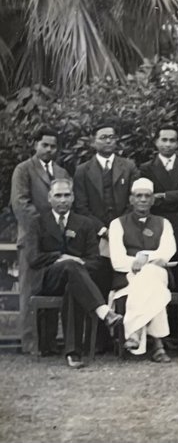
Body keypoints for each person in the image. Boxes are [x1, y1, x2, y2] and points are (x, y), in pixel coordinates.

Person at [28, 179, 121, 367]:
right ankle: (104, 312)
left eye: (67, 195)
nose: (63, 200)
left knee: (73, 284)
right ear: (49, 198)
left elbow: (95, 260)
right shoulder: (37, 223)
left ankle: (73, 353)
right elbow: (33, 258)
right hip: (49, 279)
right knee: (70, 266)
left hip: (77, 278)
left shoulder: (85, 223)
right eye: (58, 196)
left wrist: (78, 263)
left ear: (73, 197)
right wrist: (61, 257)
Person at [11, 128, 73, 353]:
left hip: (57, 241)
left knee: (52, 289)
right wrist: (46, 225)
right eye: (44, 145)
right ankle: (31, 344)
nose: (49, 150)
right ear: (35, 145)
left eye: (53, 146)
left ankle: (48, 343)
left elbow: (68, 204)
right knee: (30, 291)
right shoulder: (24, 170)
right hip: (32, 239)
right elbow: (21, 204)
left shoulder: (62, 173)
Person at [137, 126, 178, 328]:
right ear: (156, 142)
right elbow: (147, 198)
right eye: (164, 140)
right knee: (158, 273)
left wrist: (163, 196)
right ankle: (160, 329)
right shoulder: (146, 168)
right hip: (157, 227)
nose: (168, 144)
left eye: (172, 140)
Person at [109, 178, 176, 361]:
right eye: (139, 196)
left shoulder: (164, 223)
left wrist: (144, 257)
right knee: (152, 285)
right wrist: (141, 262)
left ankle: (136, 332)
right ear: (131, 199)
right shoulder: (117, 224)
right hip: (128, 276)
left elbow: (168, 251)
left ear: (153, 200)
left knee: (150, 276)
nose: (143, 200)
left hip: (158, 273)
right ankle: (158, 346)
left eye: (147, 196)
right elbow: (117, 260)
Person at [72, 124, 138, 237]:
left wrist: (121, 225)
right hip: (94, 232)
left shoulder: (129, 167)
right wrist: (101, 229)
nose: (108, 141)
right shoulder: (82, 171)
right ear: (93, 142)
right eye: (103, 137)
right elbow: (80, 206)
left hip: (126, 229)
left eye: (112, 137)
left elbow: (135, 200)